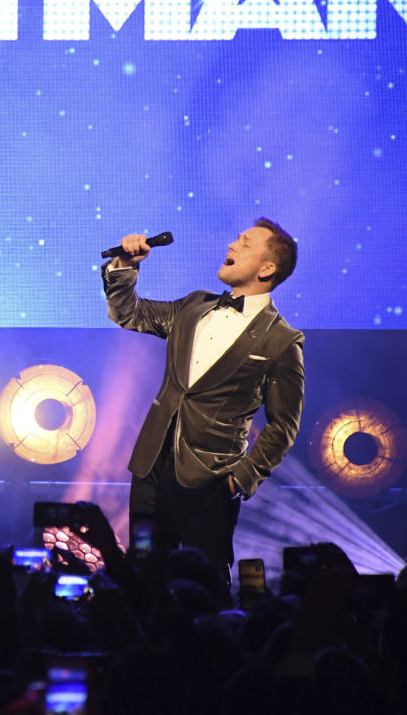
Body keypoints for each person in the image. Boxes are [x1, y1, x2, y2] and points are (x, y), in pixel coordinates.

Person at [102, 219, 304, 583]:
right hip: (150, 469)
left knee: (207, 579)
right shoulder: (195, 306)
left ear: (267, 267)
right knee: (144, 567)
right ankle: (146, 637)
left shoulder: (281, 341)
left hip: (208, 483)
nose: (231, 245)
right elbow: (129, 314)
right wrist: (126, 267)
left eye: (244, 243)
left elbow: (284, 427)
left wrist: (237, 482)